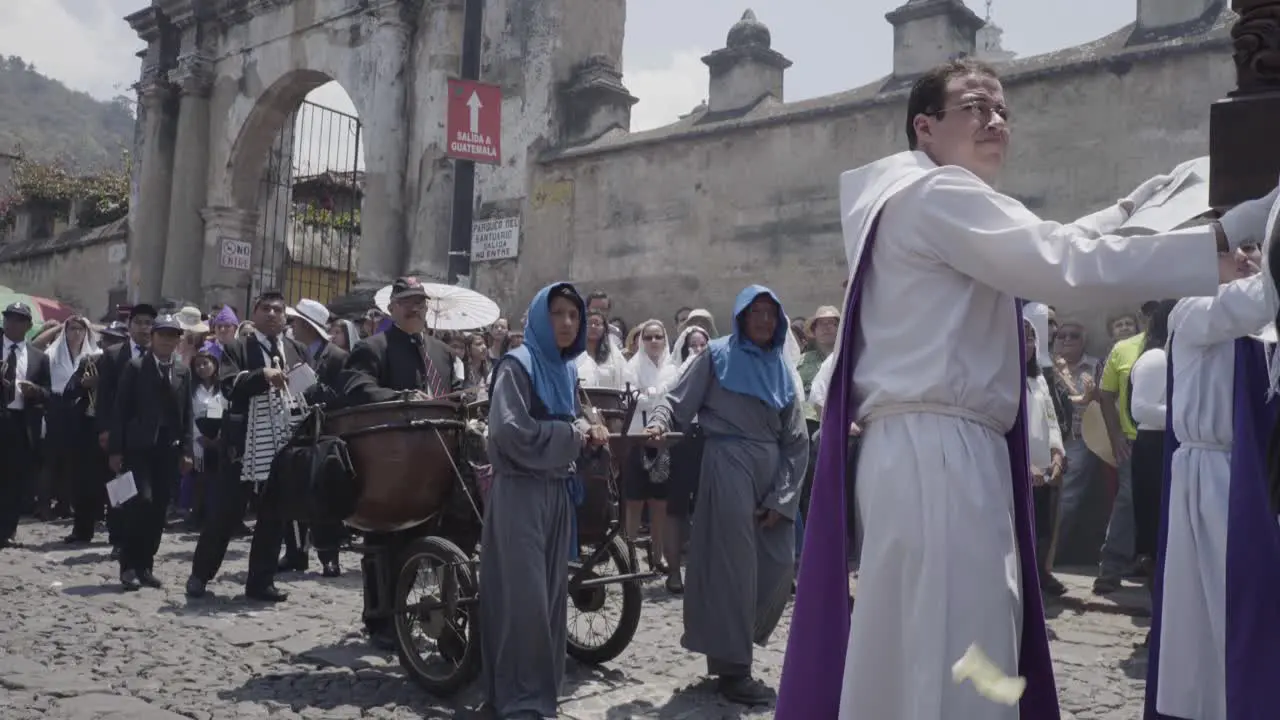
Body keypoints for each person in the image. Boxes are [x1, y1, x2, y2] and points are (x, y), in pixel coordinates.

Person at [778, 57, 1280, 720]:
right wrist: (1213, 243)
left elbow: (1049, 243)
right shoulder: (935, 196)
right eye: (975, 107)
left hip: (935, 447)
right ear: (923, 127)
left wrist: (1139, 211)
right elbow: (1059, 263)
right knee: (961, 637)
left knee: (933, 639)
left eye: (1003, 111)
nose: (995, 121)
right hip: (940, 451)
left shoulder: (934, 201)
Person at [643, 285, 809, 705]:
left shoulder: (782, 367)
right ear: (740, 316)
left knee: (777, 565)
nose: (765, 320)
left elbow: (797, 439)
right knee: (733, 569)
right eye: (757, 312)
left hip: (771, 472)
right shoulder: (715, 355)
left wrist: (782, 497)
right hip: (727, 465)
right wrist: (660, 423)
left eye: (772, 313)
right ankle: (735, 669)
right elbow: (676, 401)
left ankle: (728, 644)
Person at [1145, 239, 1280, 719]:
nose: (1244, 257)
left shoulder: (1260, 326)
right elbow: (1256, 300)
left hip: (1245, 473)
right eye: (1231, 250)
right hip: (1210, 479)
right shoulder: (1192, 311)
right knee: (1215, 609)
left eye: (1254, 247)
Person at [479, 282, 610, 719]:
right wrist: (572, 435)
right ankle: (518, 699)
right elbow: (510, 433)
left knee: (551, 599)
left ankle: (541, 692)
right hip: (521, 493)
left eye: (575, 315)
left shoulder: (567, 371)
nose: (568, 323)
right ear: (539, 317)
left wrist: (589, 434)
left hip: (556, 495)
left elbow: (569, 423)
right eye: (558, 313)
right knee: (524, 600)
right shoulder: (519, 366)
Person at [338, 276, 461, 649]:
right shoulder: (374, 347)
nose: (414, 308)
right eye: (406, 301)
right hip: (390, 465)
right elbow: (356, 387)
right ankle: (380, 622)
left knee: (427, 540)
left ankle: (430, 613)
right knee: (386, 543)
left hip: (436, 461)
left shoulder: (442, 351)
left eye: (420, 302)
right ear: (391, 308)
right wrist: (401, 396)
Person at [187, 291, 307, 602]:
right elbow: (228, 385)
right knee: (225, 513)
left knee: (274, 516)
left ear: (285, 317)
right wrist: (261, 376)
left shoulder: (295, 348)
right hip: (242, 447)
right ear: (254, 313)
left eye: (278, 309)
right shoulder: (238, 348)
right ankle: (200, 574)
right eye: (265, 308)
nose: (271, 314)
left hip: (282, 444)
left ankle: (261, 582)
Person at [107, 313, 193, 590]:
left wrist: (187, 449)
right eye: (162, 335)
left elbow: (187, 413)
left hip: (168, 449)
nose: (167, 341)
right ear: (152, 337)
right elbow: (120, 410)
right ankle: (128, 566)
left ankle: (146, 565)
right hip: (138, 448)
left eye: (173, 336)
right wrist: (116, 449)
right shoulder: (135, 366)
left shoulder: (182, 371)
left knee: (158, 510)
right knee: (139, 503)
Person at [279, 298, 348, 577]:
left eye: (296, 321)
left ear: (307, 325)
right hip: (295, 430)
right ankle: (295, 552)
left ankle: (328, 556)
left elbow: (343, 396)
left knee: (323, 496)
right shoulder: (290, 352)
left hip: (324, 433)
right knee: (291, 493)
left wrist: (312, 390)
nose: (291, 326)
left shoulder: (338, 357)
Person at [0, 302, 52, 548]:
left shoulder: (38, 357)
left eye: (19, 320)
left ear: (28, 326)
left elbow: (49, 392)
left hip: (20, 422)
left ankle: (7, 530)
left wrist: (36, 392)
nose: (13, 323)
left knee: (13, 479)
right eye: (9, 318)